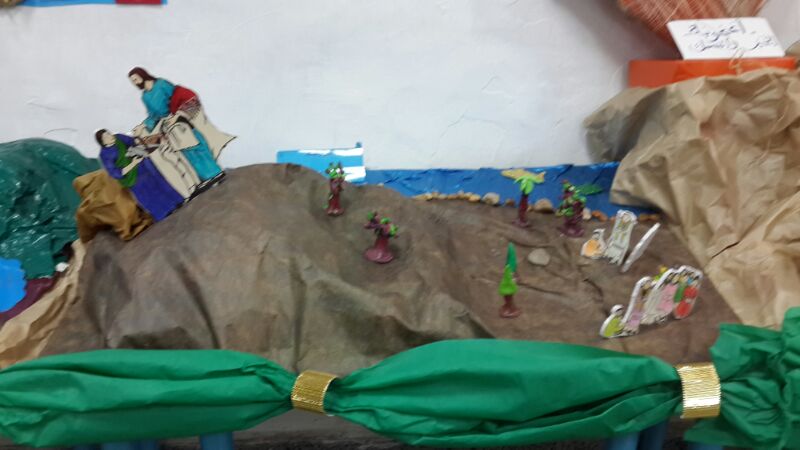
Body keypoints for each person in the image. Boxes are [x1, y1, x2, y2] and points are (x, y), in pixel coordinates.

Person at [128, 67, 235, 158]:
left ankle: (214, 171)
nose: (135, 82)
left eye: (135, 79)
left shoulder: (161, 84)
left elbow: (177, 96)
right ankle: (204, 174)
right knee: (185, 150)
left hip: (180, 117)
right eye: (132, 81)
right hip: (168, 124)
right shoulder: (145, 96)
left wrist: (176, 115)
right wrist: (142, 126)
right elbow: (153, 115)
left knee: (196, 144)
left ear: (142, 75)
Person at [96, 129, 183, 221]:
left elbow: (133, 141)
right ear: (102, 142)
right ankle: (163, 212)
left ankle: (176, 201)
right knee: (146, 194)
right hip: (131, 176)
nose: (110, 136)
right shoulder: (104, 155)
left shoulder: (119, 137)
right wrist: (133, 163)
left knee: (159, 182)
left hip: (143, 165)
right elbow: (116, 173)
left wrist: (137, 147)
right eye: (106, 137)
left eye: (109, 133)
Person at [169, 117, 223, 183]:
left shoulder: (192, 132)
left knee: (201, 160)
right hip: (197, 153)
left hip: (199, 154)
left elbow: (200, 144)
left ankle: (212, 175)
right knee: (199, 160)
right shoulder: (191, 132)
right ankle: (213, 175)